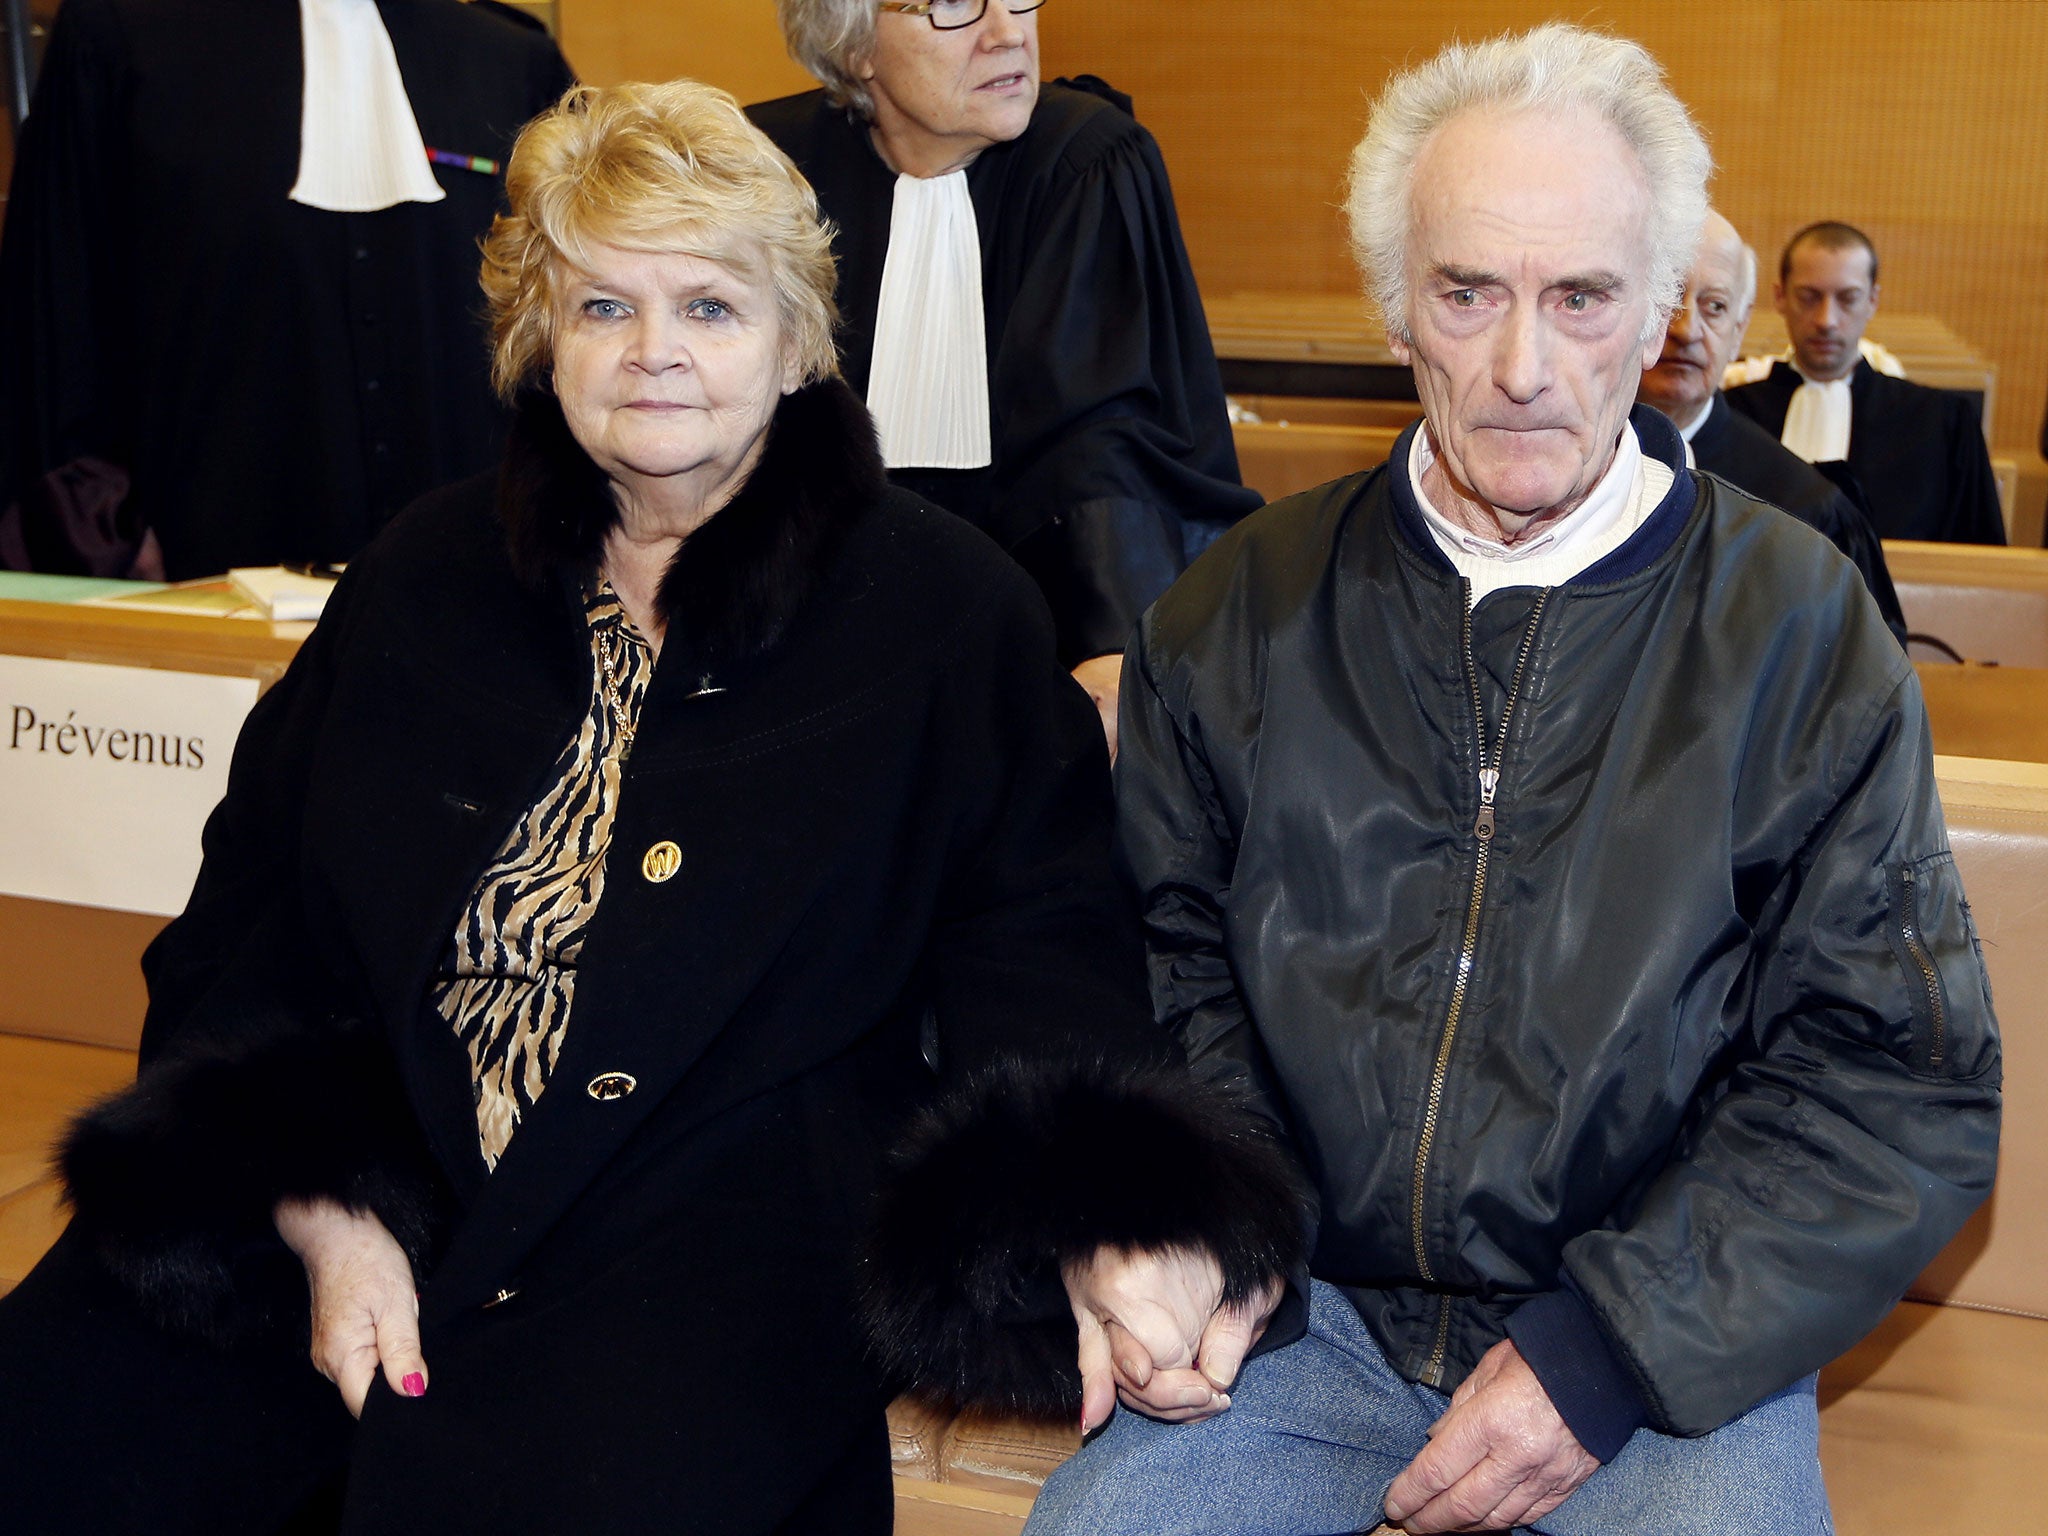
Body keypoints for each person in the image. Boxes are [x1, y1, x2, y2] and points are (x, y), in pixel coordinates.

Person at [0, 81, 1304, 1536]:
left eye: (709, 307)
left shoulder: (946, 612)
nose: (654, 355)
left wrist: (1111, 1226)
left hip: (717, 1218)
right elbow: (246, 924)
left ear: (798, 339)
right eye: (603, 308)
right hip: (386, 1154)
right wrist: (318, 1203)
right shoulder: (423, 574)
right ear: (535, 337)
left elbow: (1044, 952)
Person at [1027, 24, 2000, 1536]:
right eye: (1467, 293)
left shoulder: (1802, 631)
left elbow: (1890, 1078)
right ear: (1393, 306)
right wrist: (1190, 1215)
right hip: (1302, 1312)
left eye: (1582, 298)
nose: (1522, 369)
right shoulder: (1240, 610)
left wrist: (1607, 1354)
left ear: (1662, 308)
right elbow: (1156, 967)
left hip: (1665, 1328)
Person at [749, 0, 1261, 751]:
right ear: (855, 45)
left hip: (1033, 632)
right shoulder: (765, 168)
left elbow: (1100, 430)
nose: (1007, 32)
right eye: (952, 7)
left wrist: (1117, 645)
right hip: (810, 637)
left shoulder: (1083, 157)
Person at [0, 0, 573, 579]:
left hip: (474, 577)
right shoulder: (119, 36)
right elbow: (53, 305)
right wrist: (100, 531)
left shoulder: (509, 57)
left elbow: (576, 325)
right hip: (203, 566)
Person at [1636, 208, 1905, 638]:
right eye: (1670, 299)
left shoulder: (1803, 503)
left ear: (1739, 331)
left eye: (1716, 307)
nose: (1687, 329)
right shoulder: (1556, 466)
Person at [1725, 221, 2005, 544]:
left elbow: (1981, 560)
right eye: (1809, 297)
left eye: (1847, 299)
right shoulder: (1733, 414)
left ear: (1872, 300)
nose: (1826, 320)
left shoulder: (1942, 424)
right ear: (1780, 297)